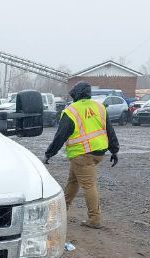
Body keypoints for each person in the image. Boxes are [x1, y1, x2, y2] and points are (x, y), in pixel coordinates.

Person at [43, 81, 119, 229]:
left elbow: (61, 136)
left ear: (75, 95)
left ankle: (94, 219)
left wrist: (49, 154)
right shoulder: (99, 107)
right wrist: (114, 150)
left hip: (81, 154)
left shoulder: (71, 111)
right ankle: (61, 212)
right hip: (98, 153)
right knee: (73, 181)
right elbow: (109, 130)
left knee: (89, 186)